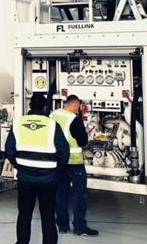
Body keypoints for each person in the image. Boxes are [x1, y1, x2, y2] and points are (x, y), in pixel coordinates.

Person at [5, 92, 69, 244]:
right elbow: (64, 152)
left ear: (30, 106)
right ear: (46, 107)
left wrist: (20, 165)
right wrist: (55, 169)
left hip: (25, 179)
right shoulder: (52, 125)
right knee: (48, 216)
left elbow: (9, 150)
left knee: (24, 215)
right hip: (48, 180)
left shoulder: (18, 123)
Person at [50, 94, 98, 236]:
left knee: (60, 194)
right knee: (79, 195)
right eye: (78, 107)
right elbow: (82, 141)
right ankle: (79, 227)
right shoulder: (74, 119)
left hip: (58, 162)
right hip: (74, 162)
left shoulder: (53, 115)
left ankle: (62, 225)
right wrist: (86, 132)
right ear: (75, 105)